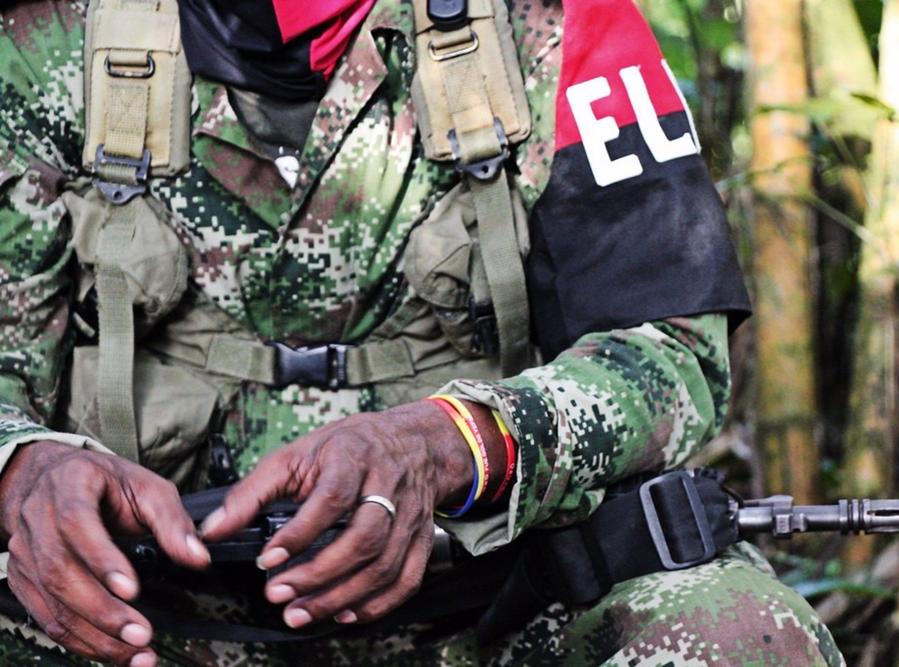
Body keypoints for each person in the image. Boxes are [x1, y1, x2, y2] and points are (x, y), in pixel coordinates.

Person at [0, 0, 844, 665]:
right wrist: (24, 465)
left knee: (741, 631)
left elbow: (670, 345)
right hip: (124, 618)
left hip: (492, 607)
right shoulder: (39, 41)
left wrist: (456, 443)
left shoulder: (545, 20)